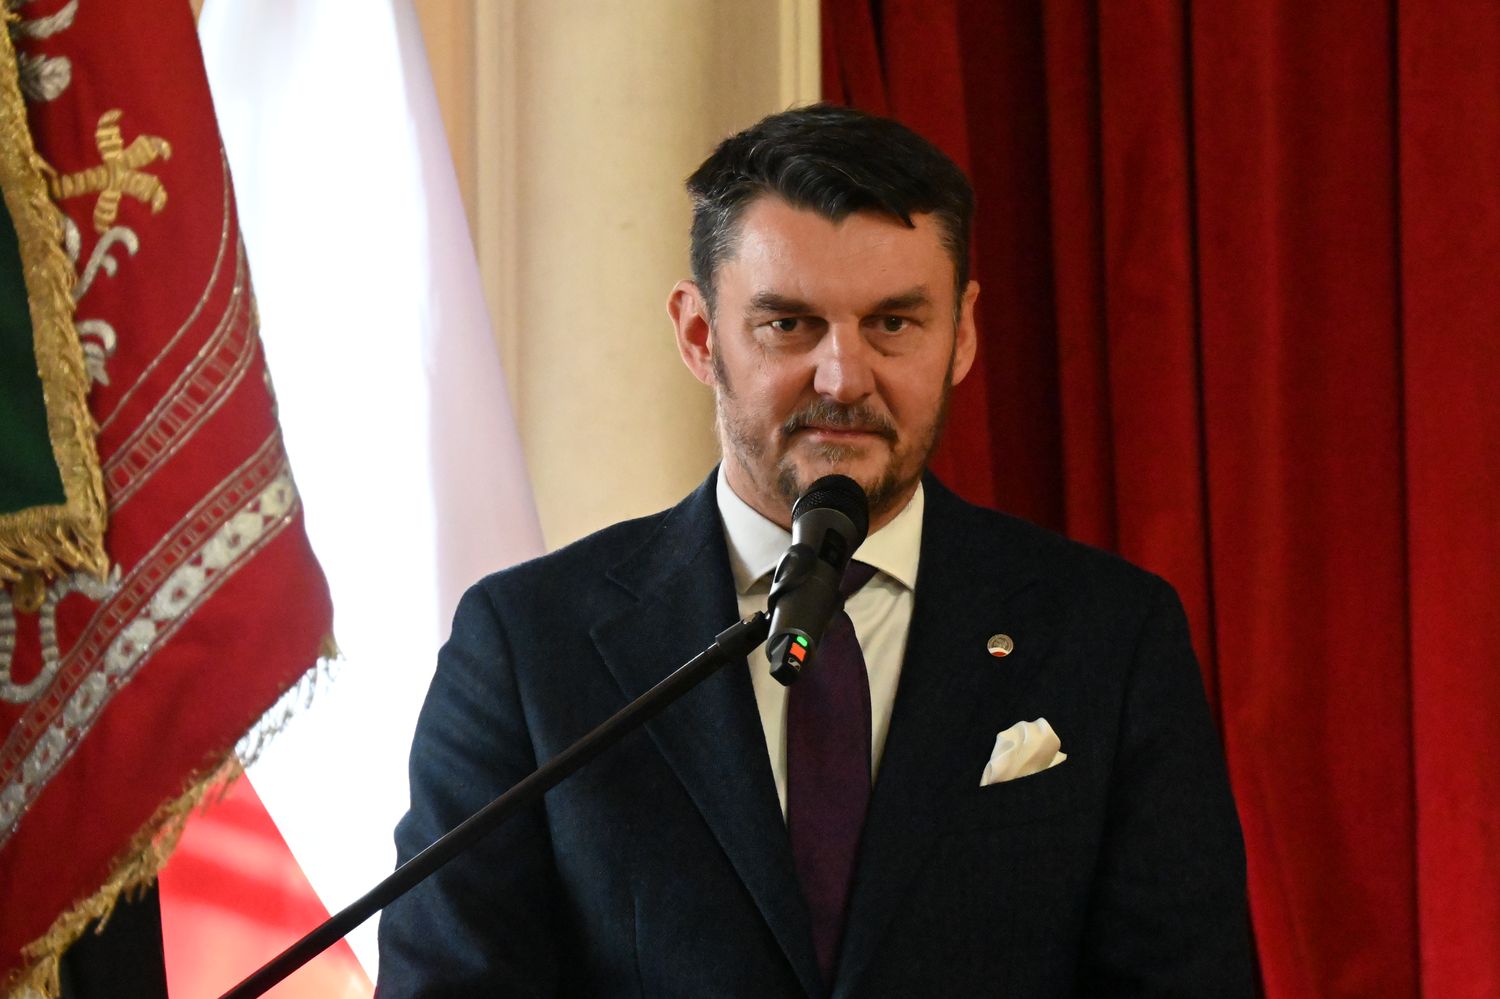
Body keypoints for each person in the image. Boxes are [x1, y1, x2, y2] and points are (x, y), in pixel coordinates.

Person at [377, 104, 1254, 997]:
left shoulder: (1109, 638)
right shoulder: (528, 647)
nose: (843, 377)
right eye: (789, 324)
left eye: (894, 323)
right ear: (699, 334)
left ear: (963, 333)